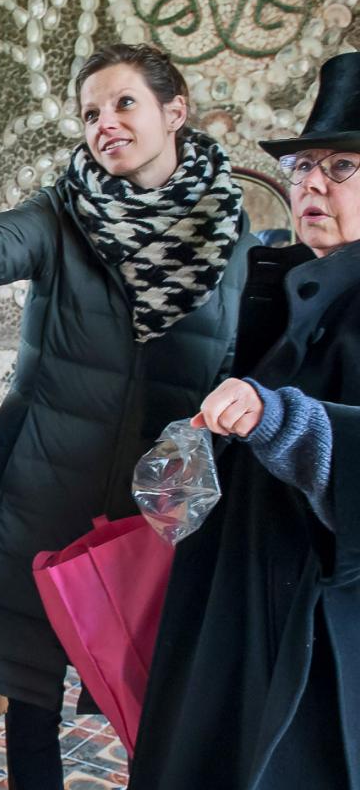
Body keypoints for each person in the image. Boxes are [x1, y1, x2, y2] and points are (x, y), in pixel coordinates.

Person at [0, 44, 254, 787]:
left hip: (158, 503)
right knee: (29, 687)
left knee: (154, 688)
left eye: (125, 104)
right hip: (41, 486)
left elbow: (241, 348)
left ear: (173, 112)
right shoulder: (63, 211)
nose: (105, 124)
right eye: (91, 112)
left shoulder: (226, 226)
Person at [130, 51, 360, 790]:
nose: (312, 184)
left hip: (315, 631)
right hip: (224, 599)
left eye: (341, 168)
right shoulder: (270, 278)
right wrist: (185, 451)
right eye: (303, 169)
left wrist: (287, 421)